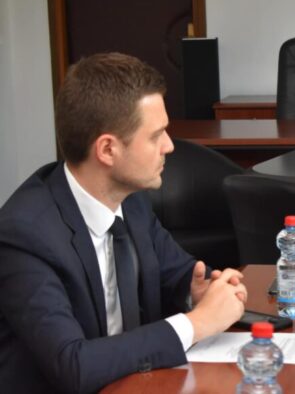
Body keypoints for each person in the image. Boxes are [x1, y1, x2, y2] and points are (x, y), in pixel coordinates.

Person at [0, 53, 247, 393]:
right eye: (156, 135)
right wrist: (196, 323)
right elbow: (72, 366)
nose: (169, 146)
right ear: (107, 150)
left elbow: (176, 273)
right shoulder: (24, 235)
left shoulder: (131, 201)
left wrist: (196, 293)